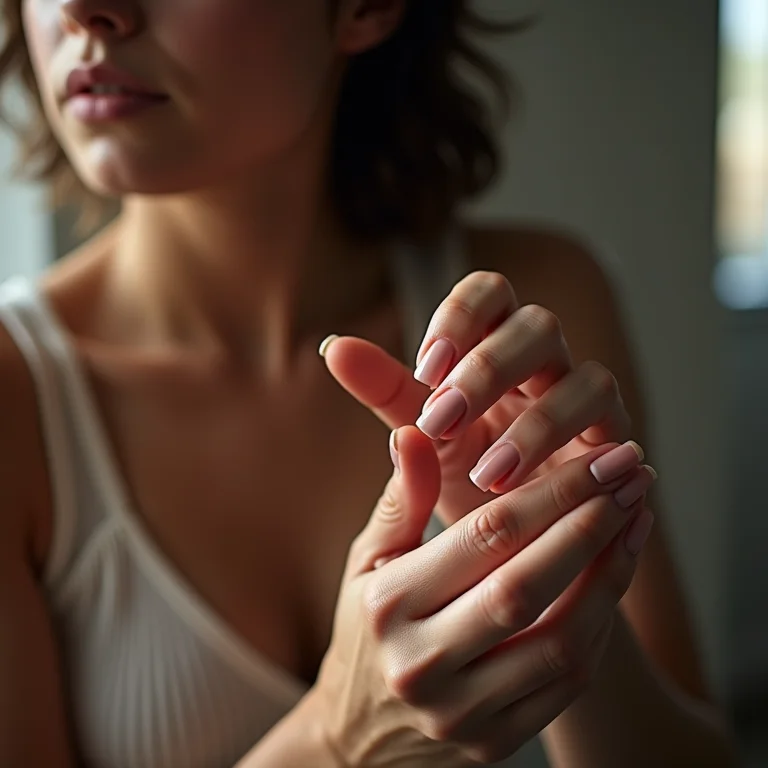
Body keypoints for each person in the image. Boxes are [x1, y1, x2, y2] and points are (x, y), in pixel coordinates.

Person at [0, 1, 735, 766]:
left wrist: (568, 611)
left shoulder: (535, 313)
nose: (86, 9)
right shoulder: (16, 399)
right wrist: (335, 738)